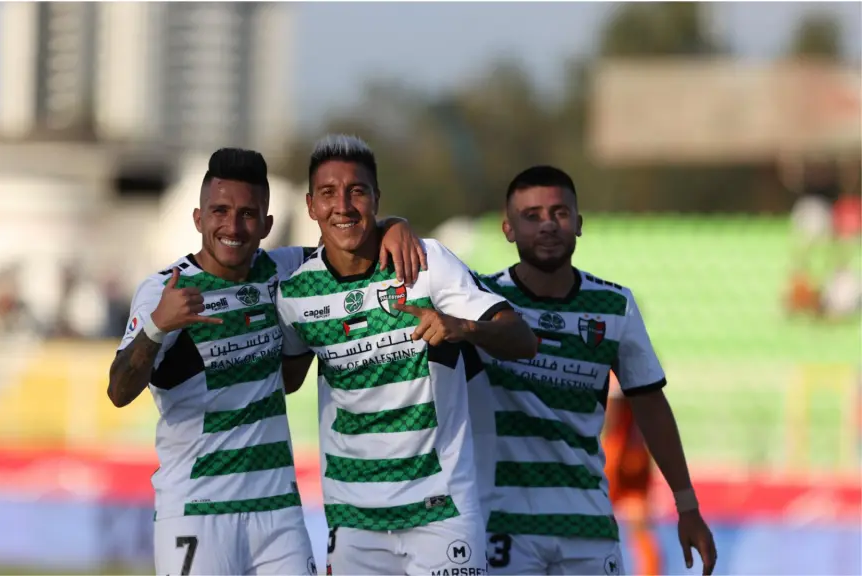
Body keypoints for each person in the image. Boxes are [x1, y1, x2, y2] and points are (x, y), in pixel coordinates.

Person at [106, 147, 426, 576]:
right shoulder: (163, 290)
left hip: (279, 514)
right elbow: (118, 391)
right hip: (199, 509)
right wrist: (158, 327)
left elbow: (346, 236)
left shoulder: (286, 270)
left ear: (267, 223)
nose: (233, 227)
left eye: (248, 214)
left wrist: (394, 226)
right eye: (220, 211)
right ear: (199, 218)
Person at [274, 135, 539, 575]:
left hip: (441, 512)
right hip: (352, 521)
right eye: (328, 193)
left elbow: (523, 339)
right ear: (310, 205)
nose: (343, 205)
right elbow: (286, 379)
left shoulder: (426, 262)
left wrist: (463, 328)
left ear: (376, 198)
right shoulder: (295, 293)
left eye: (357, 191)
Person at [475, 165, 717, 576]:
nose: (548, 225)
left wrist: (687, 505)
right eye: (531, 216)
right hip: (501, 525)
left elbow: (650, 405)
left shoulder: (614, 305)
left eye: (560, 213)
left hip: (587, 527)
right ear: (508, 229)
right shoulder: (479, 297)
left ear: (579, 224)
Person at [603, 372, 662, 575]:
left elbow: (610, 418)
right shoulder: (643, 365)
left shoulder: (609, 363)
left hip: (613, 456)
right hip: (637, 453)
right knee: (640, 527)